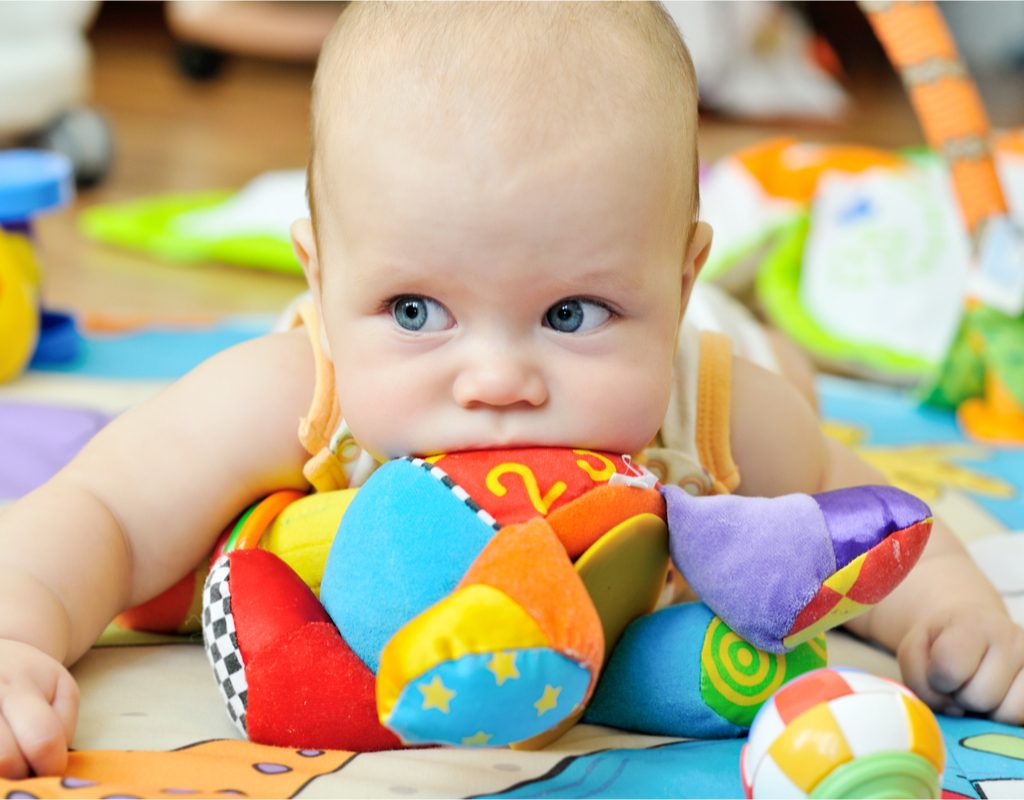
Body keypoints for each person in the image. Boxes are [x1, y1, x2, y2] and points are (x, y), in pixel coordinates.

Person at [0, 1, 1021, 781]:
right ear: (318, 278)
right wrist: (18, 630)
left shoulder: (704, 399)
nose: (494, 380)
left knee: (788, 388)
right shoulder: (297, 393)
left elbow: (866, 520)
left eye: (571, 312)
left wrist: (955, 617)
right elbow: (104, 511)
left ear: (673, 282)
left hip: (717, 349)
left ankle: (756, 308)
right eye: (412, 310)